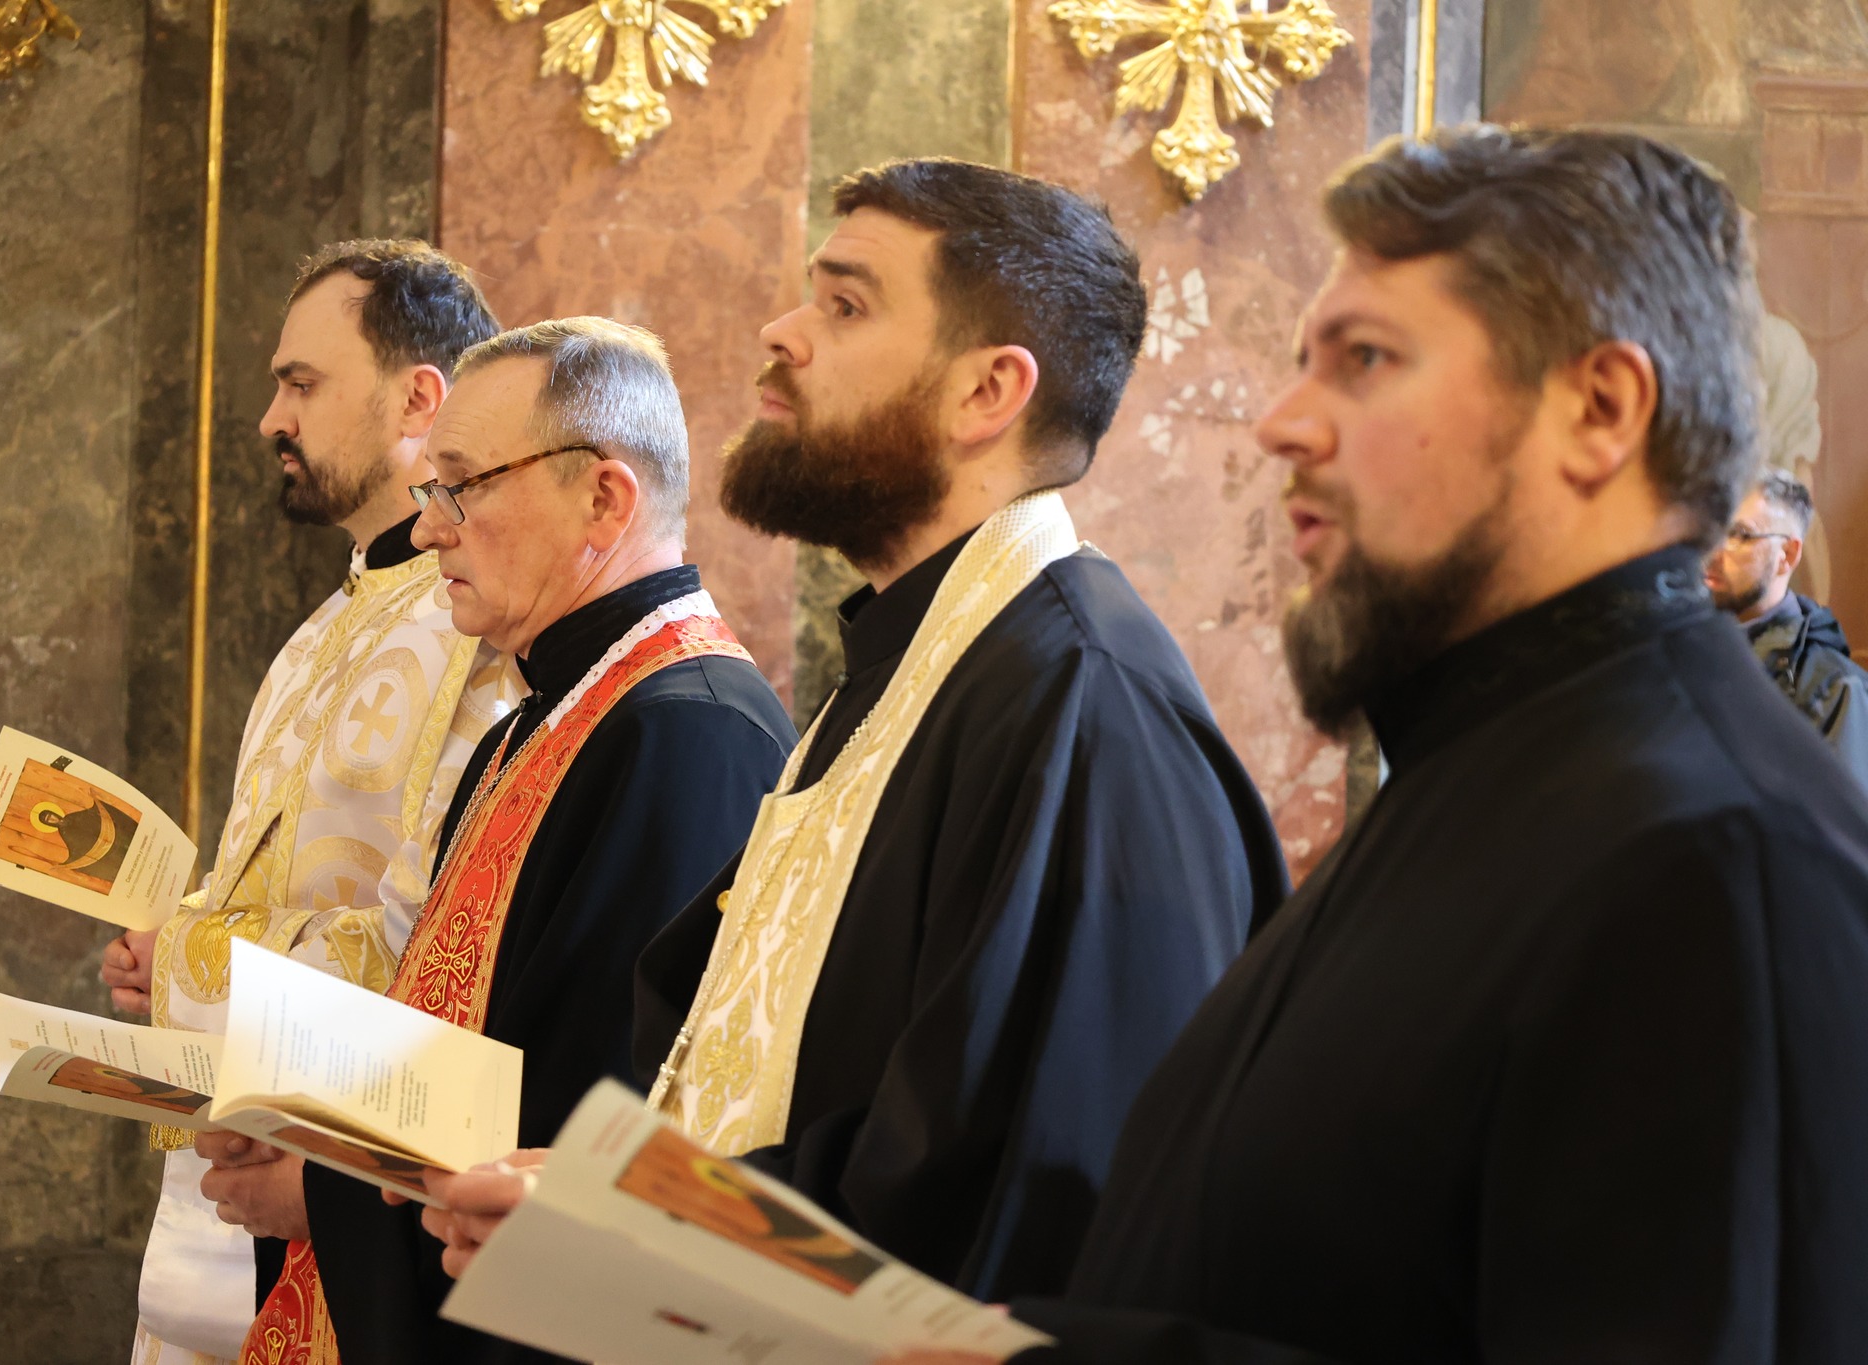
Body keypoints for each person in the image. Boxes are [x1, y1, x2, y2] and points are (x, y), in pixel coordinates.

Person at [886, 126, 1868, 1365]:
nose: (1281, 423)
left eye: (1363, 359)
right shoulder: (1484, 764)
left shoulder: (1719, 857)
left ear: (1598, 411)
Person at [422, 159, 1289, 1314]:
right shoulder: (906, 666)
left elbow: (1036, 1200)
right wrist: (616, 1197)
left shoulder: (1084, 705)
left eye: (843, 305)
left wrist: (649, 1218)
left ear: (987, 392)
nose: (781, 332)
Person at [197, 317, 799, 1365]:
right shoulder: (549, 712)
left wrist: (324, 1192)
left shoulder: (686, 731)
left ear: (604, 500)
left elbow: (594, 1129)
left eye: (461, 487)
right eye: (430, 489)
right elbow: (471, 1049)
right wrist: (307, 1124)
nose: (430, 528)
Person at [105, 239, 515, 1365]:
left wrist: (189, 958)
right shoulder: (320, 630)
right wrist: (166, 953)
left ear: (419, 400)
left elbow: (439, 948)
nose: (269, 419)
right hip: (230, 1169)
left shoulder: (478, 637)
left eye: (301, 383)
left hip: (351, 1190)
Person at [1705, 467, 1868, 784]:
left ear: (1787, 554)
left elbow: (1837, 814)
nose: (1713, 551)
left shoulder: (1836, 689)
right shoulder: (1672, 646)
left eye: (1738, 535)